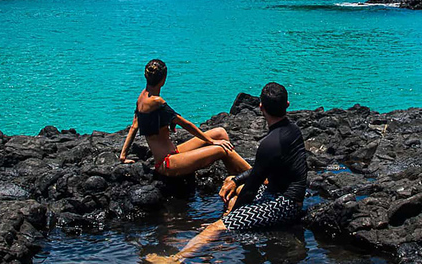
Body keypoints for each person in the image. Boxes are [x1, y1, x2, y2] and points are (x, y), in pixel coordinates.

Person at [149, 82, 308, 262]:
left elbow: (251, 189)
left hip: (285, 204)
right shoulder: (294, 130)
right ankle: (220, 241)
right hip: (280, 193)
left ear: (261, 107)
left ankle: (176, 258)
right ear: (287, 105)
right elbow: (258, 172)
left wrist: (230, 220)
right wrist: (236, 180)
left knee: (216, 227)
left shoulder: (269, 144)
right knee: (233, 188)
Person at [119, 59, 251, 177]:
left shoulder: (141, 98)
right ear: (164, 79)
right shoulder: (157, 101)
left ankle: (234, 177)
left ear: (145, 76)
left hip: (174, 153)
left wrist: (123, 156)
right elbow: (185, 124)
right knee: (222, 149)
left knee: (220, 132)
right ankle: (259, 178)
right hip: (167, 163)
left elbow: (134, 127)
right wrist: (211, 141)